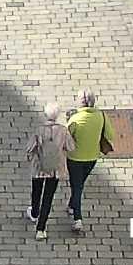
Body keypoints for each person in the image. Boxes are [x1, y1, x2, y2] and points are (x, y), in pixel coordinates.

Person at [63, 92, 110, 233]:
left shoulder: (75, 119)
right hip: (92, 157)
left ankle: (77, 218)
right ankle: (72, 205)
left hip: (75, 158)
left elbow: (66, 137)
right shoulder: (101, 116)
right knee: (79, 184)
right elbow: (110, 134)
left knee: (77, 186)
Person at [24, 103, 66, 240]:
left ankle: (34, 212)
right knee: (48, 198)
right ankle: (41, 229)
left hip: (39, 167)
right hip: (54, 169)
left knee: (36, 191)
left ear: (45, 115)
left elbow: (30, 148)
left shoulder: (39, 130)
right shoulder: (63, 131)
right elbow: (71, 147)